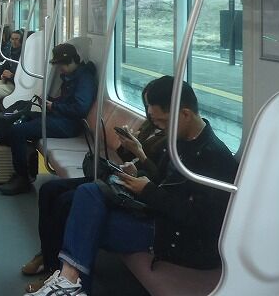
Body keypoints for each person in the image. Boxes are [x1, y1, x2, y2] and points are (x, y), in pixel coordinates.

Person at [28, 76, 239, 296]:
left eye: (163, 122)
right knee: (88, 193)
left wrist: (147, 190)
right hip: (157, 216)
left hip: (178, 238)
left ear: (185, 114)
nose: (160, 128)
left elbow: (202, 221)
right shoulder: (179, 141)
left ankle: (70, 283)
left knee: (83, 220)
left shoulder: (216, 159)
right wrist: (139, 176)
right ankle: (70, 282)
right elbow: (165, 181)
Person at [21, 87, 167, 293]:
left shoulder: (172, 140)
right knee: (49, 190)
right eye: (147, 106)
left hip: (132, 188)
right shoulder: (149, 127)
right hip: (118, 177)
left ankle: (60, 271)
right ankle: (47, 255)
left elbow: (159, 179)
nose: (150, 112)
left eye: (152, 106)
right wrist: (127, 145)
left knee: (66, 202)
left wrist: (140, 153)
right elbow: (127, 157)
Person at [0, 43, 96, 196]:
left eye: (61, 65)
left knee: (18, 131)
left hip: (69, 125)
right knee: (23, 117)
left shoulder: (84, 79)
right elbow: (68, 102)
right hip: (61, 117)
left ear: (70, 61)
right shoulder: (73, 76)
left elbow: (80, 109)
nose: (60, 69)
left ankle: (23, 178)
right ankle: (27, 166)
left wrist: (53, 106)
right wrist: (51, 102)